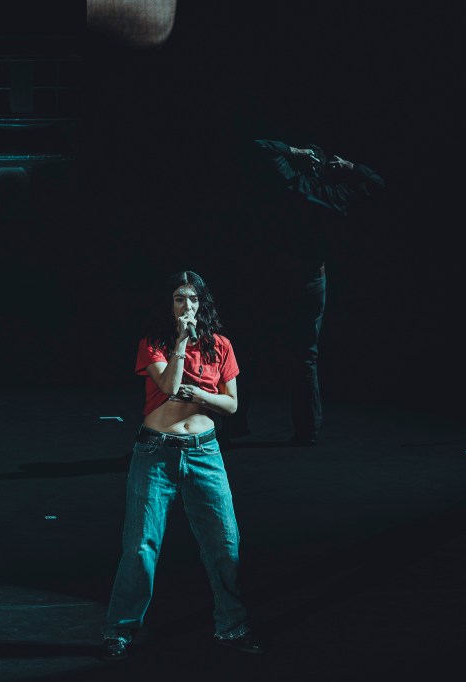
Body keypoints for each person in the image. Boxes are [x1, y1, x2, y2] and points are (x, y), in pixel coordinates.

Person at [100, 270, 265, 661]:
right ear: (169, 305)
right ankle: (118, 630)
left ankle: (232, 626)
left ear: (201, 303)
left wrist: (203, 397)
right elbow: (170, 387)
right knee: (141, 546)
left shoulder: (221, 345)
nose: (186, 306)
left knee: (225, 543)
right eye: (178, 298)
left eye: (192, 299)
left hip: (205, 452)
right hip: (156, 451)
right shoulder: (154, 343)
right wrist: (181, 342)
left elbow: (232, 404)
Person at [232, 139, 384, 446]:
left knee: (248, 350)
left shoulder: (287, 182)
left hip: (273, 277)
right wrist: (352, 167)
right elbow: (379, 185)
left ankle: (236, 423)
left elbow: (259, 147)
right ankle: (307, 430)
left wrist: (294, 152)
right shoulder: (337, 195)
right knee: (305, 357)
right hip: (311, 279)